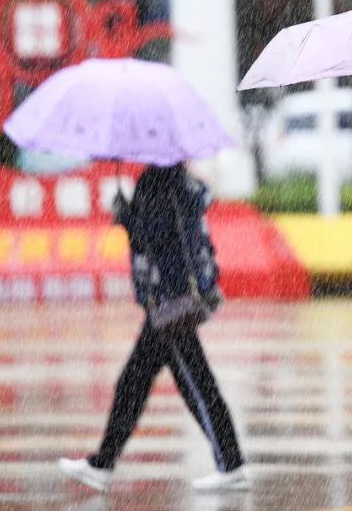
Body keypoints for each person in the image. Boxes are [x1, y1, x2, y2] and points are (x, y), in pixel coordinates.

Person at [58, 163, 248, 494]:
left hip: (169, 303)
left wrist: (129, 217)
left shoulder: (161, 185)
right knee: (137, 381)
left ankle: (231, 463)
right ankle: (103, 463)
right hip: (167, 302)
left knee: (196, 386)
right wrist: (130, 216)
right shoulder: (174, 181)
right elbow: (163, 237)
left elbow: (159, 242)